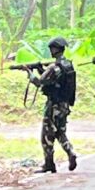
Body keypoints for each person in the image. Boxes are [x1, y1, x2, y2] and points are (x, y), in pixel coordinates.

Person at [33, 37, 79, 173]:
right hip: (64, 105)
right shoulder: (67, 65)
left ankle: (49, 163)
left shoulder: (55, 67)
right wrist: (40, 69)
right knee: (60, 132)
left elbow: (40, 82)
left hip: (53, 105)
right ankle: (70, 152)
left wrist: (29, 73)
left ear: (55, 49)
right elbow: (51, 80)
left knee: (47, 135)